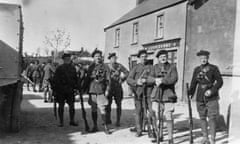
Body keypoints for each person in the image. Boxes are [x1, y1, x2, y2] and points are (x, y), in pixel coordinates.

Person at [188, 50, 223, 144]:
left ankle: (212, 139)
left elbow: (220, 82)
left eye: (205, 58)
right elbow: (193, 83)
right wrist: (190, 93)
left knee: (212, 117)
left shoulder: (213, 68)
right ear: (199, 59)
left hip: (212, 97)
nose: (203, 60)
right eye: (201, 58)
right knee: (202, 117)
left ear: (208, 58)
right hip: (200, 96)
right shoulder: (197, 69)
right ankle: (205, 137)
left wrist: (212, 91)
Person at [147, 50, 178, 144]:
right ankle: (159, 135)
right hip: (157, 94)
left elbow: (174, 78)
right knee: (158, 116)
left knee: (169, 115)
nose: (163, 58)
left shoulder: (172, 67)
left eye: (165, 56)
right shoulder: (154, 67)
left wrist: (163, 81)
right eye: (161, 57)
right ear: (158, 58)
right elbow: (148, 78)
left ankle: (170, 138)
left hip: (169, 95)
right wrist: (155, 80)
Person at [127, 49, 153, 137]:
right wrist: (136, 82)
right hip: (139, 93)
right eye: (142, 57)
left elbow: (154, 78)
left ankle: (148, 128)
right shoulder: (135, 67)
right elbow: (129, 79)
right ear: (139, 58)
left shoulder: (151, 67)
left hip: (149, 93)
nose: (144, 58)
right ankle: (139, 130)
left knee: (149, 111)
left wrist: (147, 81)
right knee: (138, 111)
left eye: (145, 56)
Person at [85, 50, 111, 134]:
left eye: (99, 56)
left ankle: (106, 127)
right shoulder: (91, 67)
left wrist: (107, 90)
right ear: (93, 57)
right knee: (93, 109)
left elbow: (108, 80)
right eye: (96, 56)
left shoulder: (105, 66)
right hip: (92, 90)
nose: (98, 57)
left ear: (101, 57)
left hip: (101, 90)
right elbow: (87, 79)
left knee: (103, 109)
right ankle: (95, 126)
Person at [52, 53, 78, 127]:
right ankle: (61, 122)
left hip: (70, 90)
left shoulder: (73, 68)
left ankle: (72, 120)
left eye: (68, 59)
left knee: (72, 106)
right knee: (61, 106)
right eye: (66, 59)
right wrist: (55, 90)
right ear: (63, 60)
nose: (67, 60)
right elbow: (55, 80)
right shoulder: (59, 68)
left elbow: (75, 79)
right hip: (61, 90)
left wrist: (76, 88)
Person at [106, 52, 129, 127]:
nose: (114, 59)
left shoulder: (119, 66)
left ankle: (118, 120)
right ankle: (108, 119)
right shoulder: (106, 66)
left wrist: (122, 79)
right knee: (108, 104)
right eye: (112, 58)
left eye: (115, 58)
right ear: (109, 59)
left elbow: (127, 73)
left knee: (119, 104)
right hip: (109, 87)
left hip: (117, 87)